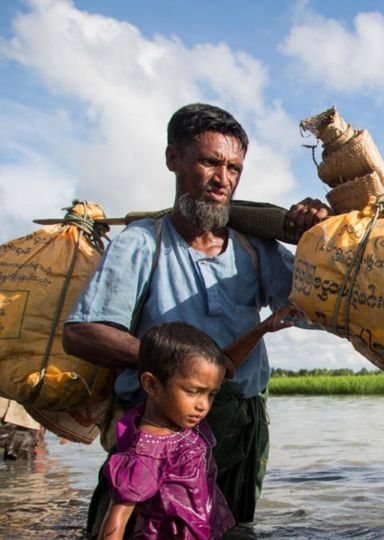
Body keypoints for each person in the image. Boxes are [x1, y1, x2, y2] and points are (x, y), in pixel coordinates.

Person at [62, 103, 330, 535]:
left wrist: (322, 240)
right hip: (158, 426)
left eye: (234, 168)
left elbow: (319, 312)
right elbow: (80, 333)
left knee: (229, 529)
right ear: (174, 159)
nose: (223, 180)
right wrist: (175, 365)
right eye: (209, 162)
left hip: (239, 426)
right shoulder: (141, 242)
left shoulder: (254, 247)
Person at [98, 322, 234, 539]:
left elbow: (231, 363)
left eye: (211, 394)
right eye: (192, 392)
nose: (203, 405)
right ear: (151, 385)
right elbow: (118, 517)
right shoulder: (148, 450)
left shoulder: (182, 424)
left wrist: (262, 328)